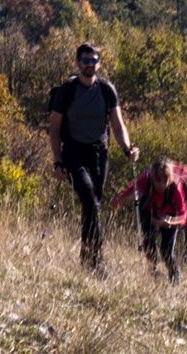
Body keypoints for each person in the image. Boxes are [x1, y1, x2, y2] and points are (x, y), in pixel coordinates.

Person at [48, 42, 139, 271]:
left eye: (94, 61)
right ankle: (97, 261)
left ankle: (87, 258)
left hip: (99, 153)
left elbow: (118, 126)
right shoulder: (67, 91)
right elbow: (55, 129)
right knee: (89, 199)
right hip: (73, 153)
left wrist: (127, 148)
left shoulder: (107, 90)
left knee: (93, 206)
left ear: (99, 63)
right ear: (78, 62)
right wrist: (58, 161)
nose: (90, 65)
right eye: (86, 61)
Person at [111, 157, 187, 282]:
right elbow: (117, 201)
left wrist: (169, 222)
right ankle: (152, 273)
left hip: (169, 216)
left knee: (166, 252)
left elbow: (183, 217)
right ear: (152, 178)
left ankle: (175, 277)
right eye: (157, 180)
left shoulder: (175, 188)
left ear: (169, 179)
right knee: (148, 243)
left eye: (164, 180)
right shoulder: (144, 181)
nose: (161, 184)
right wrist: (130, 198)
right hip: (150, 211)